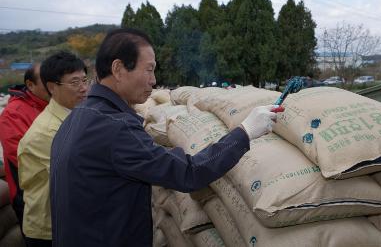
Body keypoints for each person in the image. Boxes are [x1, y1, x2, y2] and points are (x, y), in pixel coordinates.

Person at [50, 28, 277, 247]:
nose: (154, 80)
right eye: (149, 69)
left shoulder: (79, 116)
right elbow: (189, 173)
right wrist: (245, 132)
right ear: (118, 69)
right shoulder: (116, 128)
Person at [17, 51, 88, 247]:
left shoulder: (75, 116)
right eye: (74, 83)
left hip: (67, 221)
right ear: (51, 87)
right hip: (48, 229)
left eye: (84, 80)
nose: (83, 88)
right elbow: (80, 175)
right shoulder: (47, 132)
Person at [0, 64, 49, 230]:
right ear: (30, 84)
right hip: (30, 194)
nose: (52, 86)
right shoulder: (14, 113)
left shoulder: (53, 104)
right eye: (46, 81)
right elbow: (22, 157)